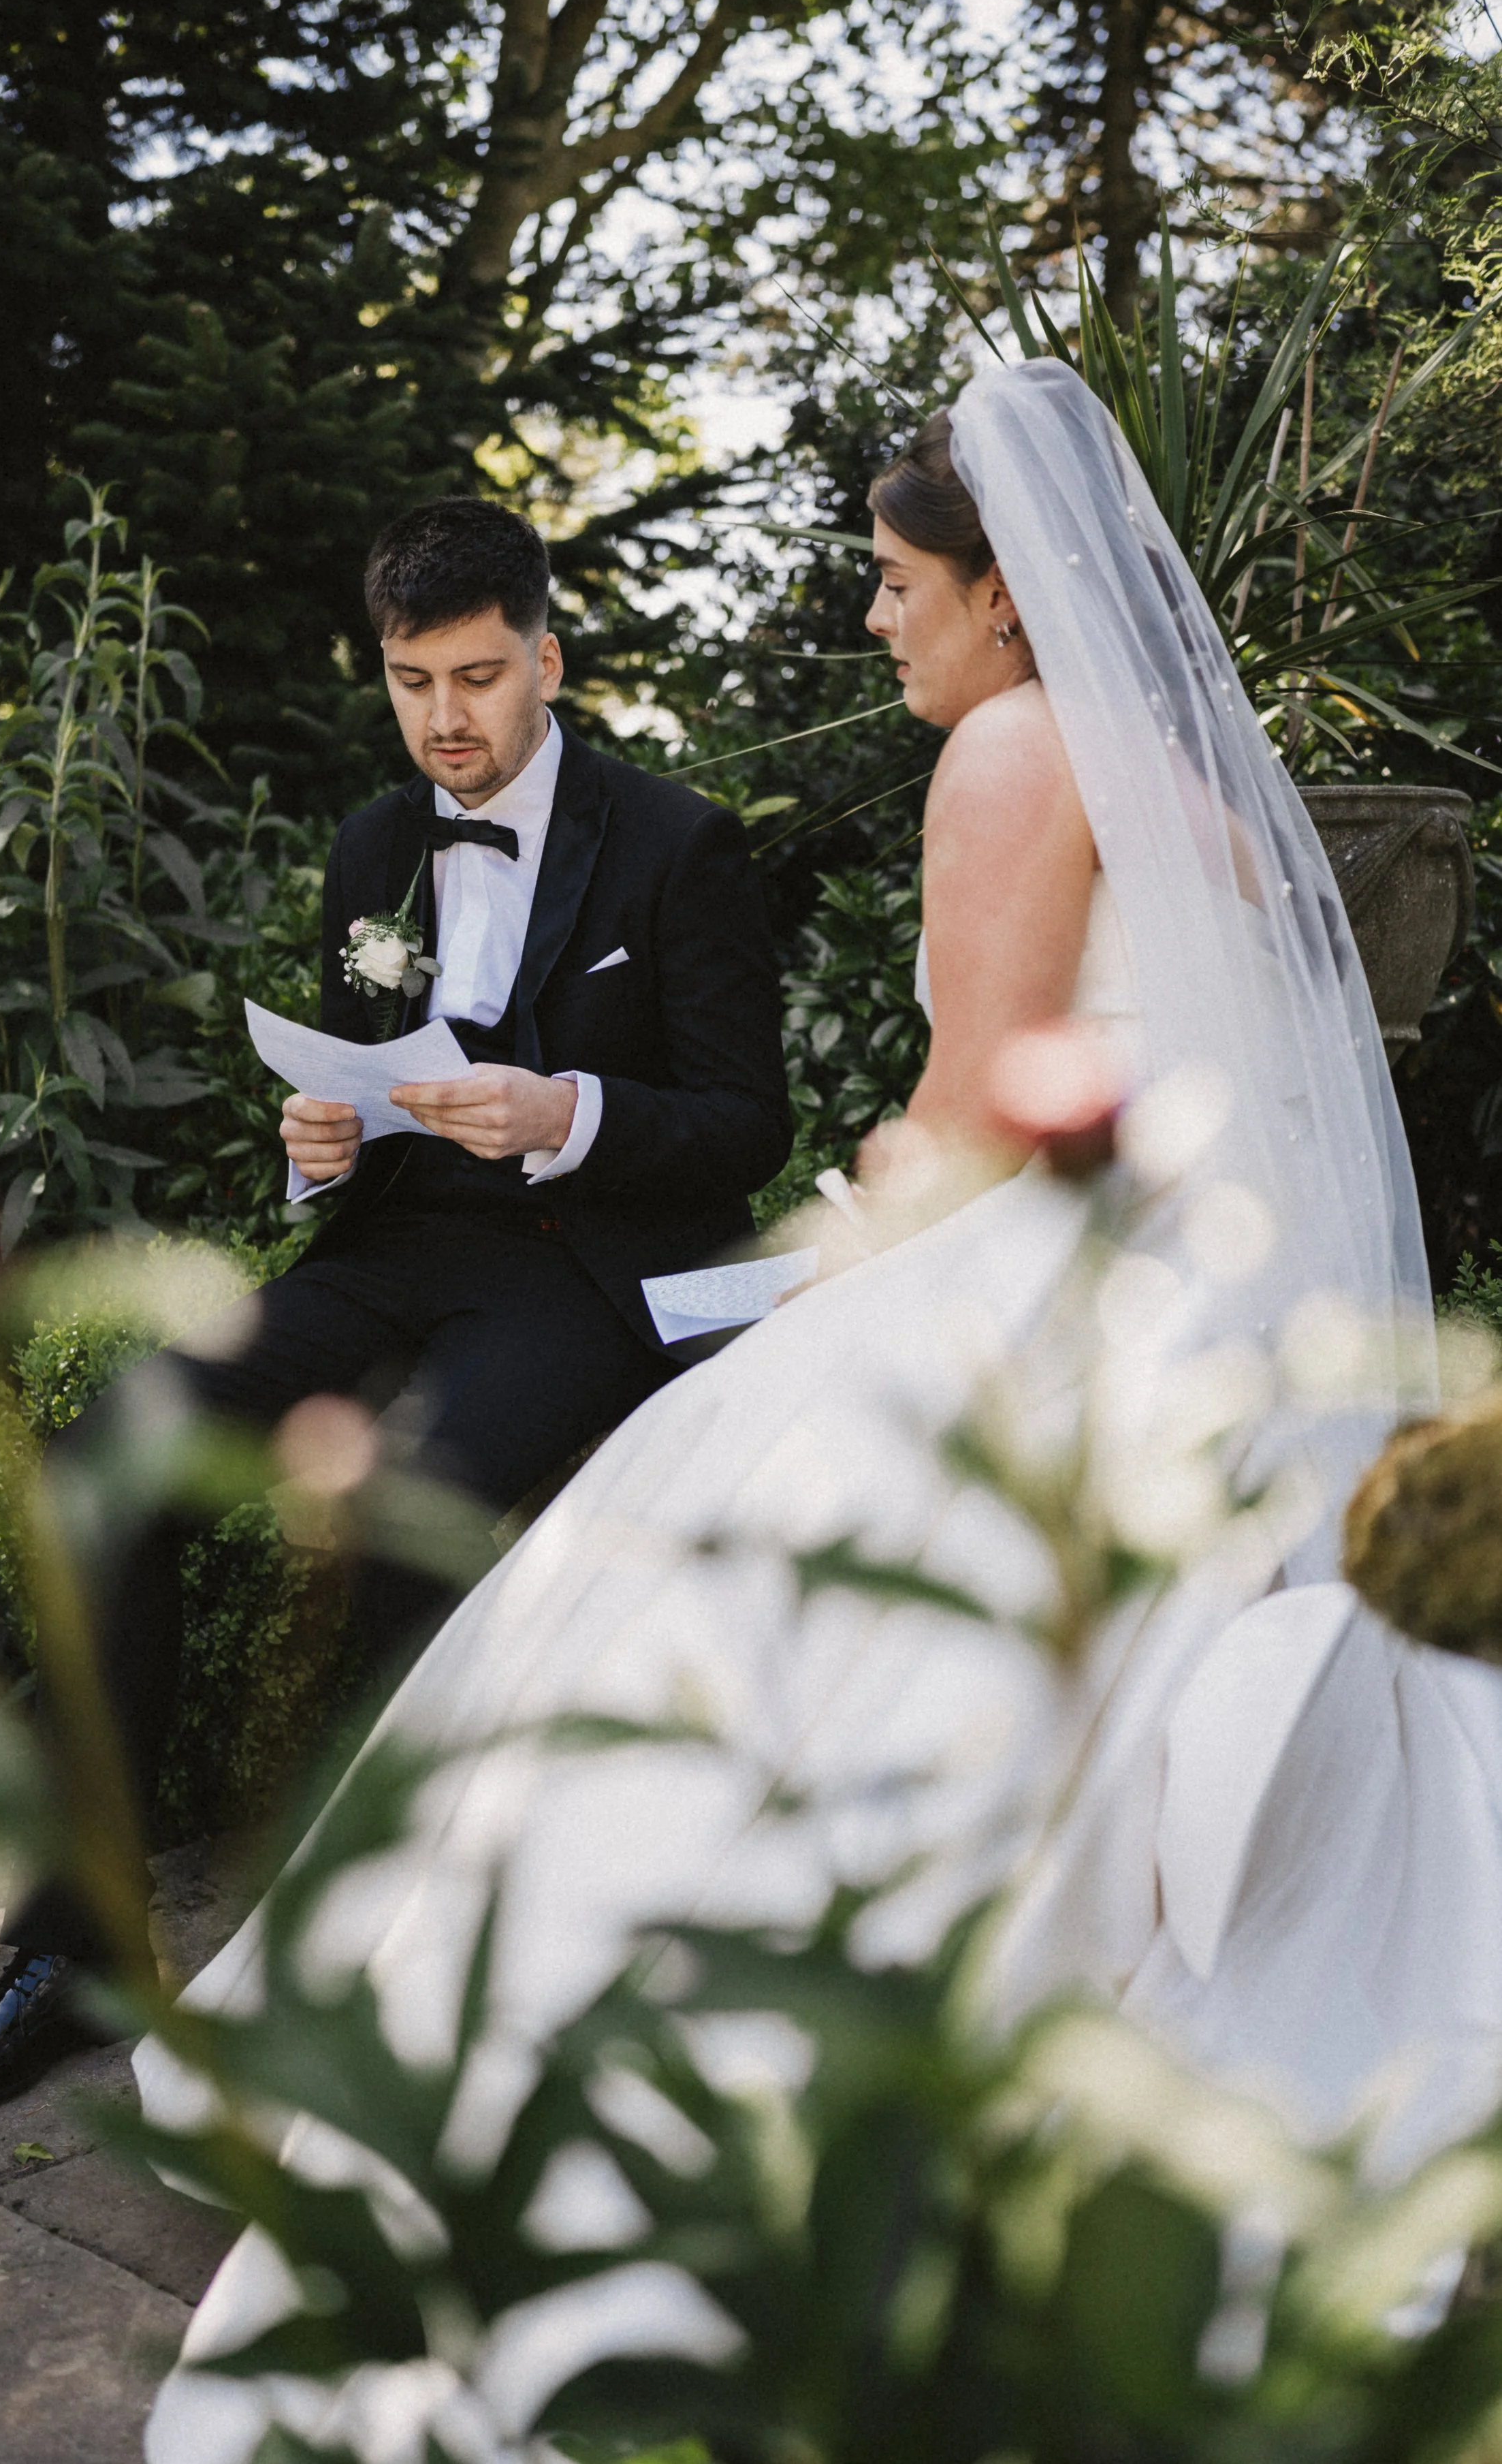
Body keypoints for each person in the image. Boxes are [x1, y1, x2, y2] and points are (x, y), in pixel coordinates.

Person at [133, 362, 1502, 2457]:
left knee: (731, 1552)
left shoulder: (1005, 759)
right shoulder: (1165, 764)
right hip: (1192, 1272)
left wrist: (838, 1225)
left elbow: (977, 1106)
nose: (873, 620)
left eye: (890, 583)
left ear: (1004, 600)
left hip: (1051, 1258)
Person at [0, 496, 792, 2122]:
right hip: (383, 1257)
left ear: (547, 661)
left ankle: (378, 1982)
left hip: (579, 1268)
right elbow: (352, 1096)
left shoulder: (675, 844)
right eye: (412, 680)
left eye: (481, 677)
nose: (447, 719)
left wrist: (566, 1109)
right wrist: (317, 1147)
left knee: (400, 1519)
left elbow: (744, 1122)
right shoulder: (376, 849)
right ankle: (75, 1952)